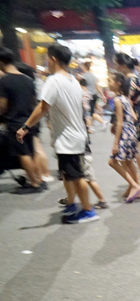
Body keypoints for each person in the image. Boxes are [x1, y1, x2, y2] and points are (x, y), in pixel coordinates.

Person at [17, 44, 99, 224]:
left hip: (68, 139)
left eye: (47, 58)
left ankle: (88, 211)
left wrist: (25, 126)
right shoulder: (73, 80)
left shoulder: (53, 81)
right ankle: (72, 204)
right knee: (70, 175)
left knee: (77, 177)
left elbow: (43, 107)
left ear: (53, 59)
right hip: (76, 136)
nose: (46, 61)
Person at [0, 47, 44, 193]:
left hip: (14, 122)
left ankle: (34, 184)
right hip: (30, 120)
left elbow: (2, 106)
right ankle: (39, 179)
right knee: (32, 151)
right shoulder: (28, 79)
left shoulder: (4, 81)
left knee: (23, 153)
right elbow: (33, 101)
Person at [114, 53, 140, 190]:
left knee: (131, 155)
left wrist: (118, 122)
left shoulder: (128, 82)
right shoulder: (135, 79)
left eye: (117, 64)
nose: (115, 67)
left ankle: (136, 184)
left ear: (123, 66)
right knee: (136, 152)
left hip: (133, 120)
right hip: (139, 117)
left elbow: (127, 104)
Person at [107, 72, 140, 203]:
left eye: (110, 81)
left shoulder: (117, 100)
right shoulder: (125, 99)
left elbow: (119, 123)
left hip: (124, 134)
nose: (108, 83)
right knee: (128, 162)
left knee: (112, 162)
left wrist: (115, 143)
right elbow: (134, 117)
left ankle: (135, 186)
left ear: (117, 83)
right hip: (132, 133)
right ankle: (135, 187)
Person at [80, 61, 104, 131]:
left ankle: (90, 127)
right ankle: (90, 126)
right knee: (92, 112)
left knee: (88, 113)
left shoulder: (84, 76)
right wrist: (102, 94)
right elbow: (97, 86)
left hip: (88, 96)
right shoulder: (93, 76)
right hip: (95, 95)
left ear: (84, 67)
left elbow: (82, 87)